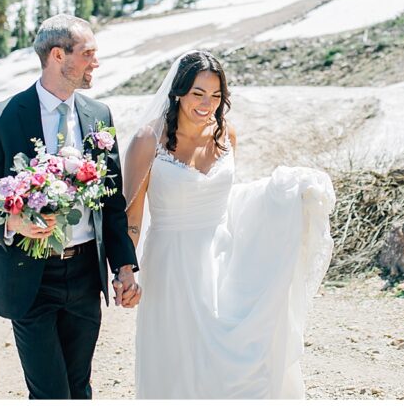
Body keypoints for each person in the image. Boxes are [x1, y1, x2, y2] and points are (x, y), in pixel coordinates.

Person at [123, 50, 335, 399]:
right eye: (198, 93)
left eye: (216, 95)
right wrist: (126, 271)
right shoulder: (149, 141)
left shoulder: (226, 136)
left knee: (228, 357)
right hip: (171, 266)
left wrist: (286, 193)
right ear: (178, 92)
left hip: (222, 258)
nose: (207, 104)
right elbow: (132, 217)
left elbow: (231, 197)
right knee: (178, 362)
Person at [0, 14, 141, 399]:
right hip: (29, 275)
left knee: (79, 388)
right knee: (49, 393)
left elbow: (112, 202)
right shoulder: (0, 119)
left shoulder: (100, 115)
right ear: (59, 55)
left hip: (84, 275)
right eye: (89, 53)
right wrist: (15, 222)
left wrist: (124, 267)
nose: (96, 62)